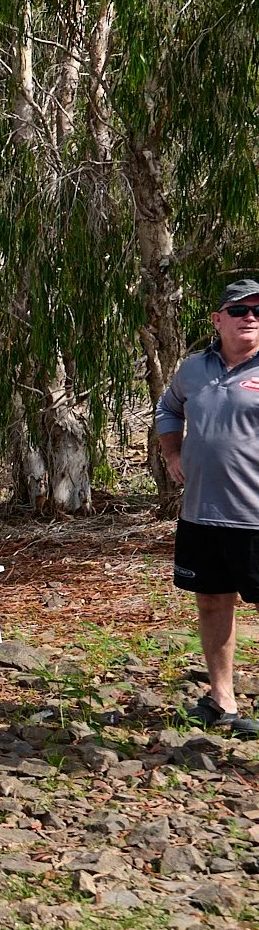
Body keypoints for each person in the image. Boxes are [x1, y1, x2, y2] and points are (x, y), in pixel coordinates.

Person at [156, 278, 259, 739]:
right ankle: (222, 699)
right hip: (202, 515)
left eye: (258, 310)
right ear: (217, 319)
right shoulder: (193, 369)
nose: (250, 317)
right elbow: (168, 408)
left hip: (253, 517)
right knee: (213, 601)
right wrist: (173, 456)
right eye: (239, 311)